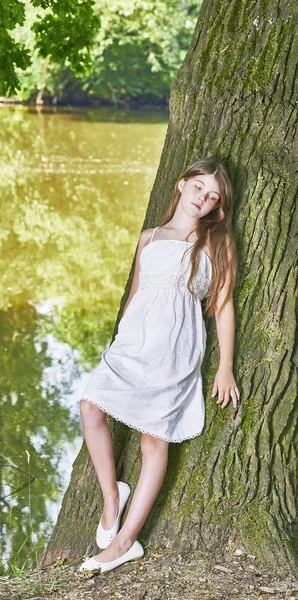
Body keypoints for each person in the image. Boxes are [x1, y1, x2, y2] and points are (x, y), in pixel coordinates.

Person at [78, 156, 240, 575]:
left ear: (217, 206)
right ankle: (112, 496)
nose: (202, 198)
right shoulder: (148, 237)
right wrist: (118, 344)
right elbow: (134, 294)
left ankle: (125, 543)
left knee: (155, 441)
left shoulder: (214, 242)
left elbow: (221, 305)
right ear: (182, 184)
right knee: (90, 406)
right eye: (199, 187)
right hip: (133, 343)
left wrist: (225, 366)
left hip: (175, 348)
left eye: (213, 196)